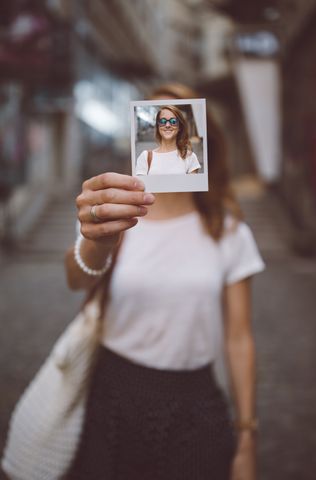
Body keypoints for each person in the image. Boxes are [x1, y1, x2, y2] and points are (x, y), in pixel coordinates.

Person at [64, 83, 265, 480]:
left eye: (175, 117)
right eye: (158, 118)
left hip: (195, 398)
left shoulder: (227, 230)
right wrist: (96, 241)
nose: (167, 123)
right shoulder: (112, 214)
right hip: (114, 391)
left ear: (193, 129)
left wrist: (246, 438)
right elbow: (75, 280)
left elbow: (239, 337)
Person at [135, 104, 201, 175]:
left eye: (173, 121)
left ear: (179, 127)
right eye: (163, 121)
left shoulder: (190, 157)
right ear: (158, 126)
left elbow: (193, 186)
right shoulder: (145, 157)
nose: (167, 125)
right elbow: (141, 186)